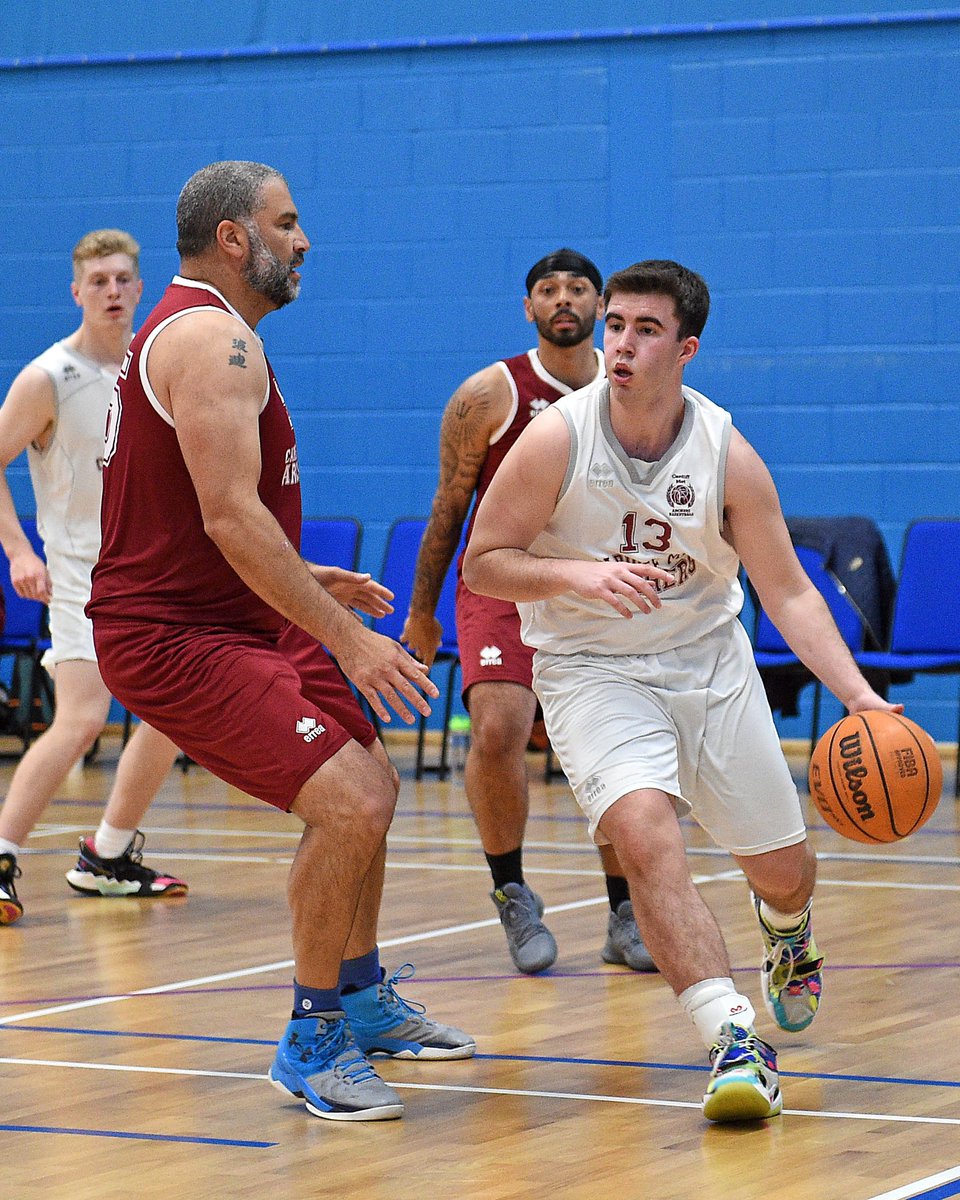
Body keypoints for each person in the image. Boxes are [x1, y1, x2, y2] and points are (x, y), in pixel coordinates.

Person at [462, 259, 900, 1123]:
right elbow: (484, 563)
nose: (619, 343)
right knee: (641, 832)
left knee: (784, 871)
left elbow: (790, 593)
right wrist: (574, 576)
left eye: (644, 330)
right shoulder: (555, 438)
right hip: (593, 673)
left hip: (708, 664)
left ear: (686, 348)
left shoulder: (727, 453)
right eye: (615, 324)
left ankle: (786, 932)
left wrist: (863, 701)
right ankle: (732, 1037)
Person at [86, 161, 475, 1123]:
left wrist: (305, 582)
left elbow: (220, 518)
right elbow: (228, 518)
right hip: (173, 636)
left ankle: (362, 993)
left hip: (233, 612)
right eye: (287, 223)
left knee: (373, 772)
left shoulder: (211, 333)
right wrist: (347, 637)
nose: (303, 241)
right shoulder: (215, 339)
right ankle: (310, 1037)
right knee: (350, 800)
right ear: (233, 238)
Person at [402, 249, 656, 976]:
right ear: (529, 309)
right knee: (499, 727)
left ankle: (623, 910)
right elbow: (449, 508)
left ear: (601, 304)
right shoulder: (488, 394)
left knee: (613, 747)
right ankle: (511, 890)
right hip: (504, 586)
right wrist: (423, 613)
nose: (563, 299)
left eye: (578, 288)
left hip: (595, 587)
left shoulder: (632, 390)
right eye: (548, 290)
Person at [0, 229, 186, 927]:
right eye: (97, 281)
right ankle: (3, 853)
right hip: (82, 574)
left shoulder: (153, 367)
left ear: (140, 289)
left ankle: (107, 856)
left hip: (156, 576)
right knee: (82, 718)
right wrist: (20, 550)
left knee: (174, 714)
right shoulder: (48, 376)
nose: (111, 291)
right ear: (76, 292)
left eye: (122, 280)